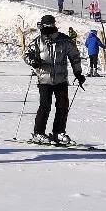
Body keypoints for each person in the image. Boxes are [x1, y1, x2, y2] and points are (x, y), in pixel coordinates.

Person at [21, 15, 86, 145]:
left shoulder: (64, 41)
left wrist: (78, 72)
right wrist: (32, 61)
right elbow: (26, 54)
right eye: (45, 26)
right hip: (44, 79)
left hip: (61, 79)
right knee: (45, 106)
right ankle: (38, 133)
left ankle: (58, 132)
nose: (47, 29)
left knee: (62, 107)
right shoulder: (37, 42)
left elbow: (75, 56)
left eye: (50, 26)